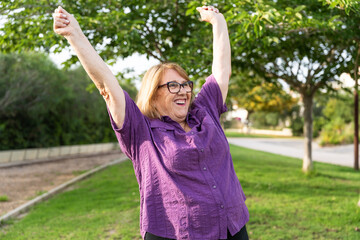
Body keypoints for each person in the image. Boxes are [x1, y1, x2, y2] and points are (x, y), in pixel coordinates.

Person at [53, 5, 249, 240]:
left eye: (186, 84)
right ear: (153, 93)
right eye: (173, 86)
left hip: (232, 226)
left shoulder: (204, 111)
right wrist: (74, 34)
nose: (183, 91)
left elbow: (221, 72)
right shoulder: (140, 129)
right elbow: (107, 87)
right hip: (179, 233)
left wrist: (219, 23)